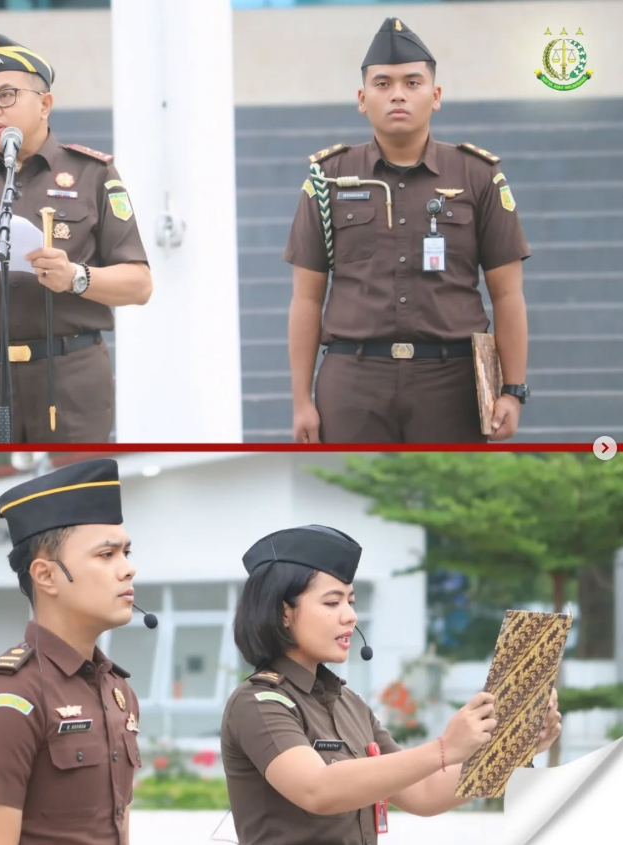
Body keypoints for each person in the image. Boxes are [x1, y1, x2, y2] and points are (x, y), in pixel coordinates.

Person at [220, 525, 563, 845]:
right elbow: (317, 789)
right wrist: (445, 747)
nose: (350, 616)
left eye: (350, 602)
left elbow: (424, 792)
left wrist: (518, 747)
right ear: (283, 612)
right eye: (332, 602)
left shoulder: (349, 704)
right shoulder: (259, 703)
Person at [285, 18, 531, 444]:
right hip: (352, 381)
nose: (397, 93)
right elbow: (306, 298)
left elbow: (507, 294)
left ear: (435, 96)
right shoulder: (328, 178)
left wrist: (512, 390)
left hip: (452, 381)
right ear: (362, 99)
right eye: (383, 84)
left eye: (412, 82)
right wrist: (301, 400)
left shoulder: (478, 175)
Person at [0, 32, 152, 444]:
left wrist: (76, 277)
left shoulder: (93, 174)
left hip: (69, 378)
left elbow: (140, 284)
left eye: (5, 95)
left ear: (45, 104)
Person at [0, 457, 144, 845]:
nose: (128, 569)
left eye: (127, 553)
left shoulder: (118, 692)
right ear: (46, 575)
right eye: (106, 555)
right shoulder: (9, 699)